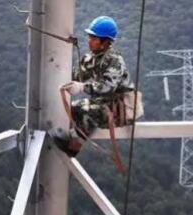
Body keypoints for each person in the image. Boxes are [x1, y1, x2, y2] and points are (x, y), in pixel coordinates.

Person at [52, 15, 136, 157]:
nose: (89, 41)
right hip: (105, 103)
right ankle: (71, 135)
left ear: (105, 42)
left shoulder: (114, 61)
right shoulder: (92, 58)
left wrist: (82, 87)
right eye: (90, 37)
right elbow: (77, 74)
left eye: (94, 38)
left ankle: (74, 145)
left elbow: (107, 87)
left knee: (85, 110)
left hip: (121, 108)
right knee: (73, 109)